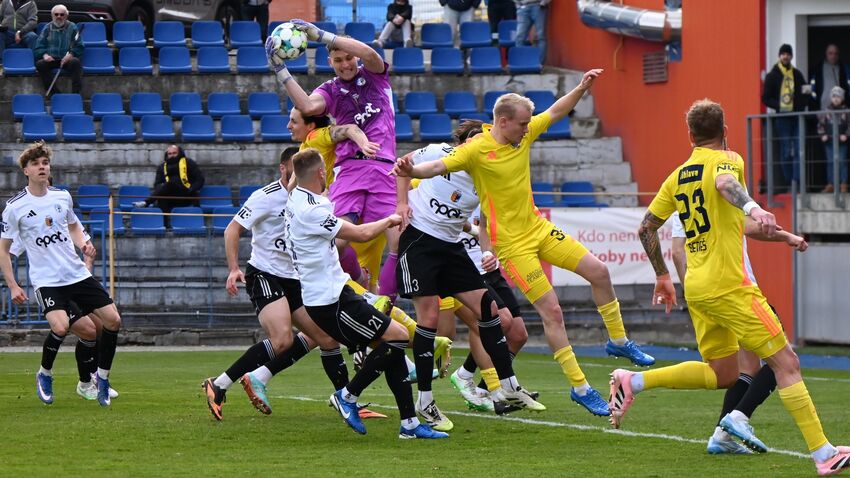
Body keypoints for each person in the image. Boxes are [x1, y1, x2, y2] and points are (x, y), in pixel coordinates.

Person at [391, 70, 655, 418]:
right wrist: (409, 169)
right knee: (551, 312)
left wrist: (580, 88)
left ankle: (619, 342)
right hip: (511, 245)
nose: (529, 128)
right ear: (503, 121)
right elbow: (438, 165)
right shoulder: (475, 151)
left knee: (599, 271)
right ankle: (579, 388)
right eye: (522, 124)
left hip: (538, 228)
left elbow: (557, 111)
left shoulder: (523, 138)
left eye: (529, 123)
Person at [613, 99, 850, 475]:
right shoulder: (728, 159)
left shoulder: (676, 177)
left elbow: (646, 228)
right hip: (730, 285)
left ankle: (634, 380)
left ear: (690, 135)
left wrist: (661, 275)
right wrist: (756, 207)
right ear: (724, 132)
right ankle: (823, 453)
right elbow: (726, 184)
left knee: (724, 372)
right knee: (786, 361)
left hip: (698, 287)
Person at [286, 147, 447, 439]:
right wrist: (390, 219)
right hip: (330, 300)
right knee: (398, 337)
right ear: (321, 173)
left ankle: (409, 425)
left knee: (393, 346)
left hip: (332, 292)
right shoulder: (313, 208)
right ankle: (347, 396)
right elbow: (360, 234)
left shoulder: (296, 199)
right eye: (328, 170)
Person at [395, 121, 544, 430]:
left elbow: (485, 220)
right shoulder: (439, 153)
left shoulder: (484, 175)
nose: (478, 146)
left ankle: (509, 385)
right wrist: (402, 203)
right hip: (420, 240)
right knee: (431, 319)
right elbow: (403, 165)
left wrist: (486, 248)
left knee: (489, 309)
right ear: (464, 143)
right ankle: (425, 400)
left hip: (451, 248)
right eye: (474, 140)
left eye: (483, 142)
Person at [203, 147, 363, 421]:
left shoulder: (308, 200)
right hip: (265, 274)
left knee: (324, 337)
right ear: (283, 168)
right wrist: (233, 269)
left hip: (295, 279)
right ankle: (218, 384)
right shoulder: (265, 197)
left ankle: (346, 400)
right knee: (282, 339)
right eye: (293, 168)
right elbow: (233, 228)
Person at [268, 20, 402, 302]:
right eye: (338, 60)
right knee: (337, 242)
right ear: (330, 62)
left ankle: (385, 303)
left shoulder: (375, 75)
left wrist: (321, 35)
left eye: (348, 58)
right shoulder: (329, 90)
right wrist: (280, 69)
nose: (345, 64)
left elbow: (370, 54)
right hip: (350, 168)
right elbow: (307, 107)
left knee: (398, 241)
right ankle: (359, 282)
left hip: (382, 165)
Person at [0, 140, 122, 407]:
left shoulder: (62, 196)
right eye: (35, 164)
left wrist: (84, 243)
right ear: (26, 171)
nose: (42, 167)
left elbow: (74, 226)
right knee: (62, 326)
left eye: (45, 163)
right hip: (48, 282)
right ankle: (44, 374)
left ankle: (100, 378)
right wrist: (13, 285)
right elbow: (4, 249)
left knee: (111, 321)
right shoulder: (15, 207)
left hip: (76, 275)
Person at [669, 211, 779, 455]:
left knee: (747, 369)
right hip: (740, 294)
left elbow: (677, 253)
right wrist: (789, 236)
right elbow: (753, 228)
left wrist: (694, 296)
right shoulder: (726, 196)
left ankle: (721, 435)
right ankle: (738, 418)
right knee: (783, 361)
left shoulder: (681, 205)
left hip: (706, 297)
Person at [762, 43, 808, 188]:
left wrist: (799, 106)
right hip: (782, 118)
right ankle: (790, 183)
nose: (786, 56)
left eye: (788, 54)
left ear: (791, 56)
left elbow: (806, 93)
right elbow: (765, 98)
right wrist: (780, 106)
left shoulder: (797, 74)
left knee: (799, 150)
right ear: (779, 56)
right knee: (786, 150)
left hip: (797, 117)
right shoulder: (772, 75)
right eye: (783, 54)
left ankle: (797, 182)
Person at [134, 145, 205, 216]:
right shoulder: (162, 167)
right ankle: (165, 225)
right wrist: (163, 187)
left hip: (187, 195)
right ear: (167, 155)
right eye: (170, 154)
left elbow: (200, 180)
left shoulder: (189, 163)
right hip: (170, 196)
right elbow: (157, 184)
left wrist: (192, 188)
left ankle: (146, 202)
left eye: (174, 153)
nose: (172, 155)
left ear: (179, 153)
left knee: (171, 183)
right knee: (163, 194)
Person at [33, 4, 82, 95]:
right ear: (52, 15)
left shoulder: (73, 27)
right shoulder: (47, 28)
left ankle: (76, 93)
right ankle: (55, 94)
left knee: (76, 62)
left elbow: (79, 45)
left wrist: (70, 55)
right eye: (56, 14)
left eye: (62, 14)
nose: (59, 16)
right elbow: (38, 46)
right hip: (51, 59)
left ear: (66, 16)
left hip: (67, 59)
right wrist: (45, 55)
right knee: (40, 64)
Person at [817, 86, 849, 193]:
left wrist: (846, 135)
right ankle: (831, 184)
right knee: (830, 162)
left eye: (838, 97)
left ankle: (843, 183)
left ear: (842, 99)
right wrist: (823, 135)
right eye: (834, 96)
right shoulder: (826, 112)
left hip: (842, 141)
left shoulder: (846, 111)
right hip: (829, 141)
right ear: (831, 98)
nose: (836, 99)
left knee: (842, 162)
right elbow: (820, 125)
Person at [810, 44, 850, 111]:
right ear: (826, 54)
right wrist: (815, 110)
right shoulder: (817, 69)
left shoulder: (844, 69)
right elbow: (811, 90)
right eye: (830, 53)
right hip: (822, 110)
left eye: (836, 54)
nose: (833, 56)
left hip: (841, 110)